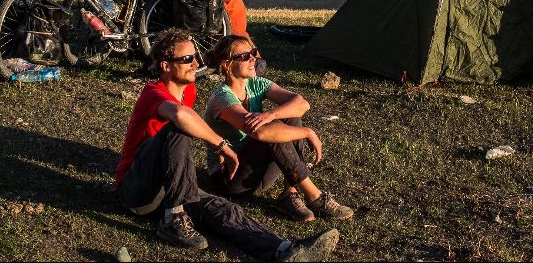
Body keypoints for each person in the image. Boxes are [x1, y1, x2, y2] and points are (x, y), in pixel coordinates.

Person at [115, 28, 339, 261]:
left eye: (196, 57)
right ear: (165, 66)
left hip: (173, 187)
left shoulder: (189, 90)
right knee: (177, 129)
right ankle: (173, 219)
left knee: (227, 210)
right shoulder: (153, 92)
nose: (195, 64)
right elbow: (181, 116)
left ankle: (284, 250)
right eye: (187, 59)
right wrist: (220, 144)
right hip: (137, 189)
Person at [204, 34, 354, 222]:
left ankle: (289, 193)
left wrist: (271, 114)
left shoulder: (256, 84)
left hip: (257, 173)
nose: (253, 59)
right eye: (244, 56)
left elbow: (301, 103)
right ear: (226, 65)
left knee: (290, 115)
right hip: (231, 180)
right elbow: (259, 132)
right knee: (271, 130)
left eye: (252, 53)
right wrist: (307, 131)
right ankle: (315, 196)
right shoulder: (222, 98)